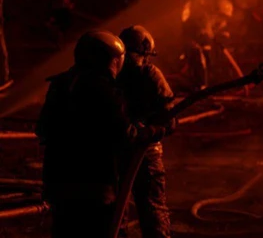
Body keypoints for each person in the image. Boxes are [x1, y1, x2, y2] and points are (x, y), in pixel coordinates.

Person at [36, 31, 174, 238]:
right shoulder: (104, 89)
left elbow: (42, 129)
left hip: (58, 181)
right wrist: (150, 132)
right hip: (94, 182)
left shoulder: (62, 83)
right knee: (110, 224)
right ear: (113, 59)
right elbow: (124, 133)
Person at [117, 26, 174, 238]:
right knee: (117, 211)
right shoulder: (113, 74)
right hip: (119, 152)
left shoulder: (150, 75)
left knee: (152, 211)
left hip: (145, 153)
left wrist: (150, 130)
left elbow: (170, 120)